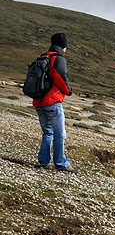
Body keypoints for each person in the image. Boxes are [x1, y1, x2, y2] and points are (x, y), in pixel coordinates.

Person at [34, 32, 74, 171]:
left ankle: (44, 161)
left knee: (47, 132)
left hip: (39, 101)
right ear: (64, 47)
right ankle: (60, 163)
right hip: (52, 101)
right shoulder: (58, 59)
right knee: (60, 134)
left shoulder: (43, 57)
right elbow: (60, 76)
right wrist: (68, 90)